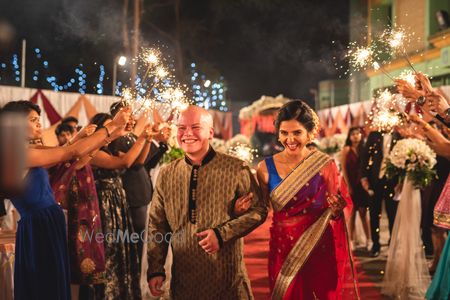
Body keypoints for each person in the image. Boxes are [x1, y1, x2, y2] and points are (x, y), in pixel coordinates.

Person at [0, 100, 128, 300]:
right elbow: (71, 152)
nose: (39, 124)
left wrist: (107, 137)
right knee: (45, 287)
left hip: (46, 224)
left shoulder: (28, 150)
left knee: (51, 284)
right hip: (40, 227)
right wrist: (109, 128)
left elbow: (72, 160)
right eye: (33, 120)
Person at [147, 105, 267, 300]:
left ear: (210, 132)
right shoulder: (167, 173)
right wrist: (155, 268)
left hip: (227, 279)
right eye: (182, 128)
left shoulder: (236, 168)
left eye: (195, 127)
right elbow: (157, 225)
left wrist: (221, 235)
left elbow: (259, 210)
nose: (187, 134)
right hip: (183, 282)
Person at [255, 100, 358, 300]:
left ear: (310, 133)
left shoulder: (324, 165)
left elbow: (336, 209)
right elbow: (259, 210)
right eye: (284, 133)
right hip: (283, 249)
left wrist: (337, 210)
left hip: (319, 247)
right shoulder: (265, 168)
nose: (290, 139)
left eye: (297, 133)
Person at [90, 112, 153, 299]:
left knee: (122, 250)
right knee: (110, 252)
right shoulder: (94, 152)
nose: (115, 130)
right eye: (111, 127)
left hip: (118, 203)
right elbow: (124, 162)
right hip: (104, 205)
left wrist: (147, 140)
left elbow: (137, 161)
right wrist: (141, 137)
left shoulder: (110, 148)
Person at [51, 122, 107, 300]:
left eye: (71, 134)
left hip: (83, 211)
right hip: (67, 213)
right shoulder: (56, 154)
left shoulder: (68, 152)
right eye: (64, 135)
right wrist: (101, 138)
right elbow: (77, 161)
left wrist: (98, 140)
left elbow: (81, 158)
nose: (67, 138)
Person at [109, 102, 168, 264]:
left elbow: (141, 161)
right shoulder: (115, 139)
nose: (131, 117)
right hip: (130, 192)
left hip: (140, 192)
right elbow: (129, 163)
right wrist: (145, 138)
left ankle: (134, 274)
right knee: (132, 236)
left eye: (131, 113)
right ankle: (130, 270)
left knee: (139, 236)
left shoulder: (132, 136)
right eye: (126, 113)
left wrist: (148, 139)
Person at [360, 128, 401, 257]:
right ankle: (376, 245)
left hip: (392, 182)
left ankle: (392, 245)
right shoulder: (373, 135)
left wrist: (400, 181)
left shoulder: (398, 136)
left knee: (392, 214)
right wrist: (363, 177)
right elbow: (365, 156)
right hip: (374, 180)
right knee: (374, 214)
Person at [341, 127, 371, 249]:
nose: (355, 136)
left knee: (364, 213)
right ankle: (351, 240)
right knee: (352, 213)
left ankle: (369, 240)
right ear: (349, 136)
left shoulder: (364, 149)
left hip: (362, 185)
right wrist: (347, 186)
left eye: (357, 133)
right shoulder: (346, 150)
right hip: (351, 183)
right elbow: (343, 168)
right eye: (352, 134)